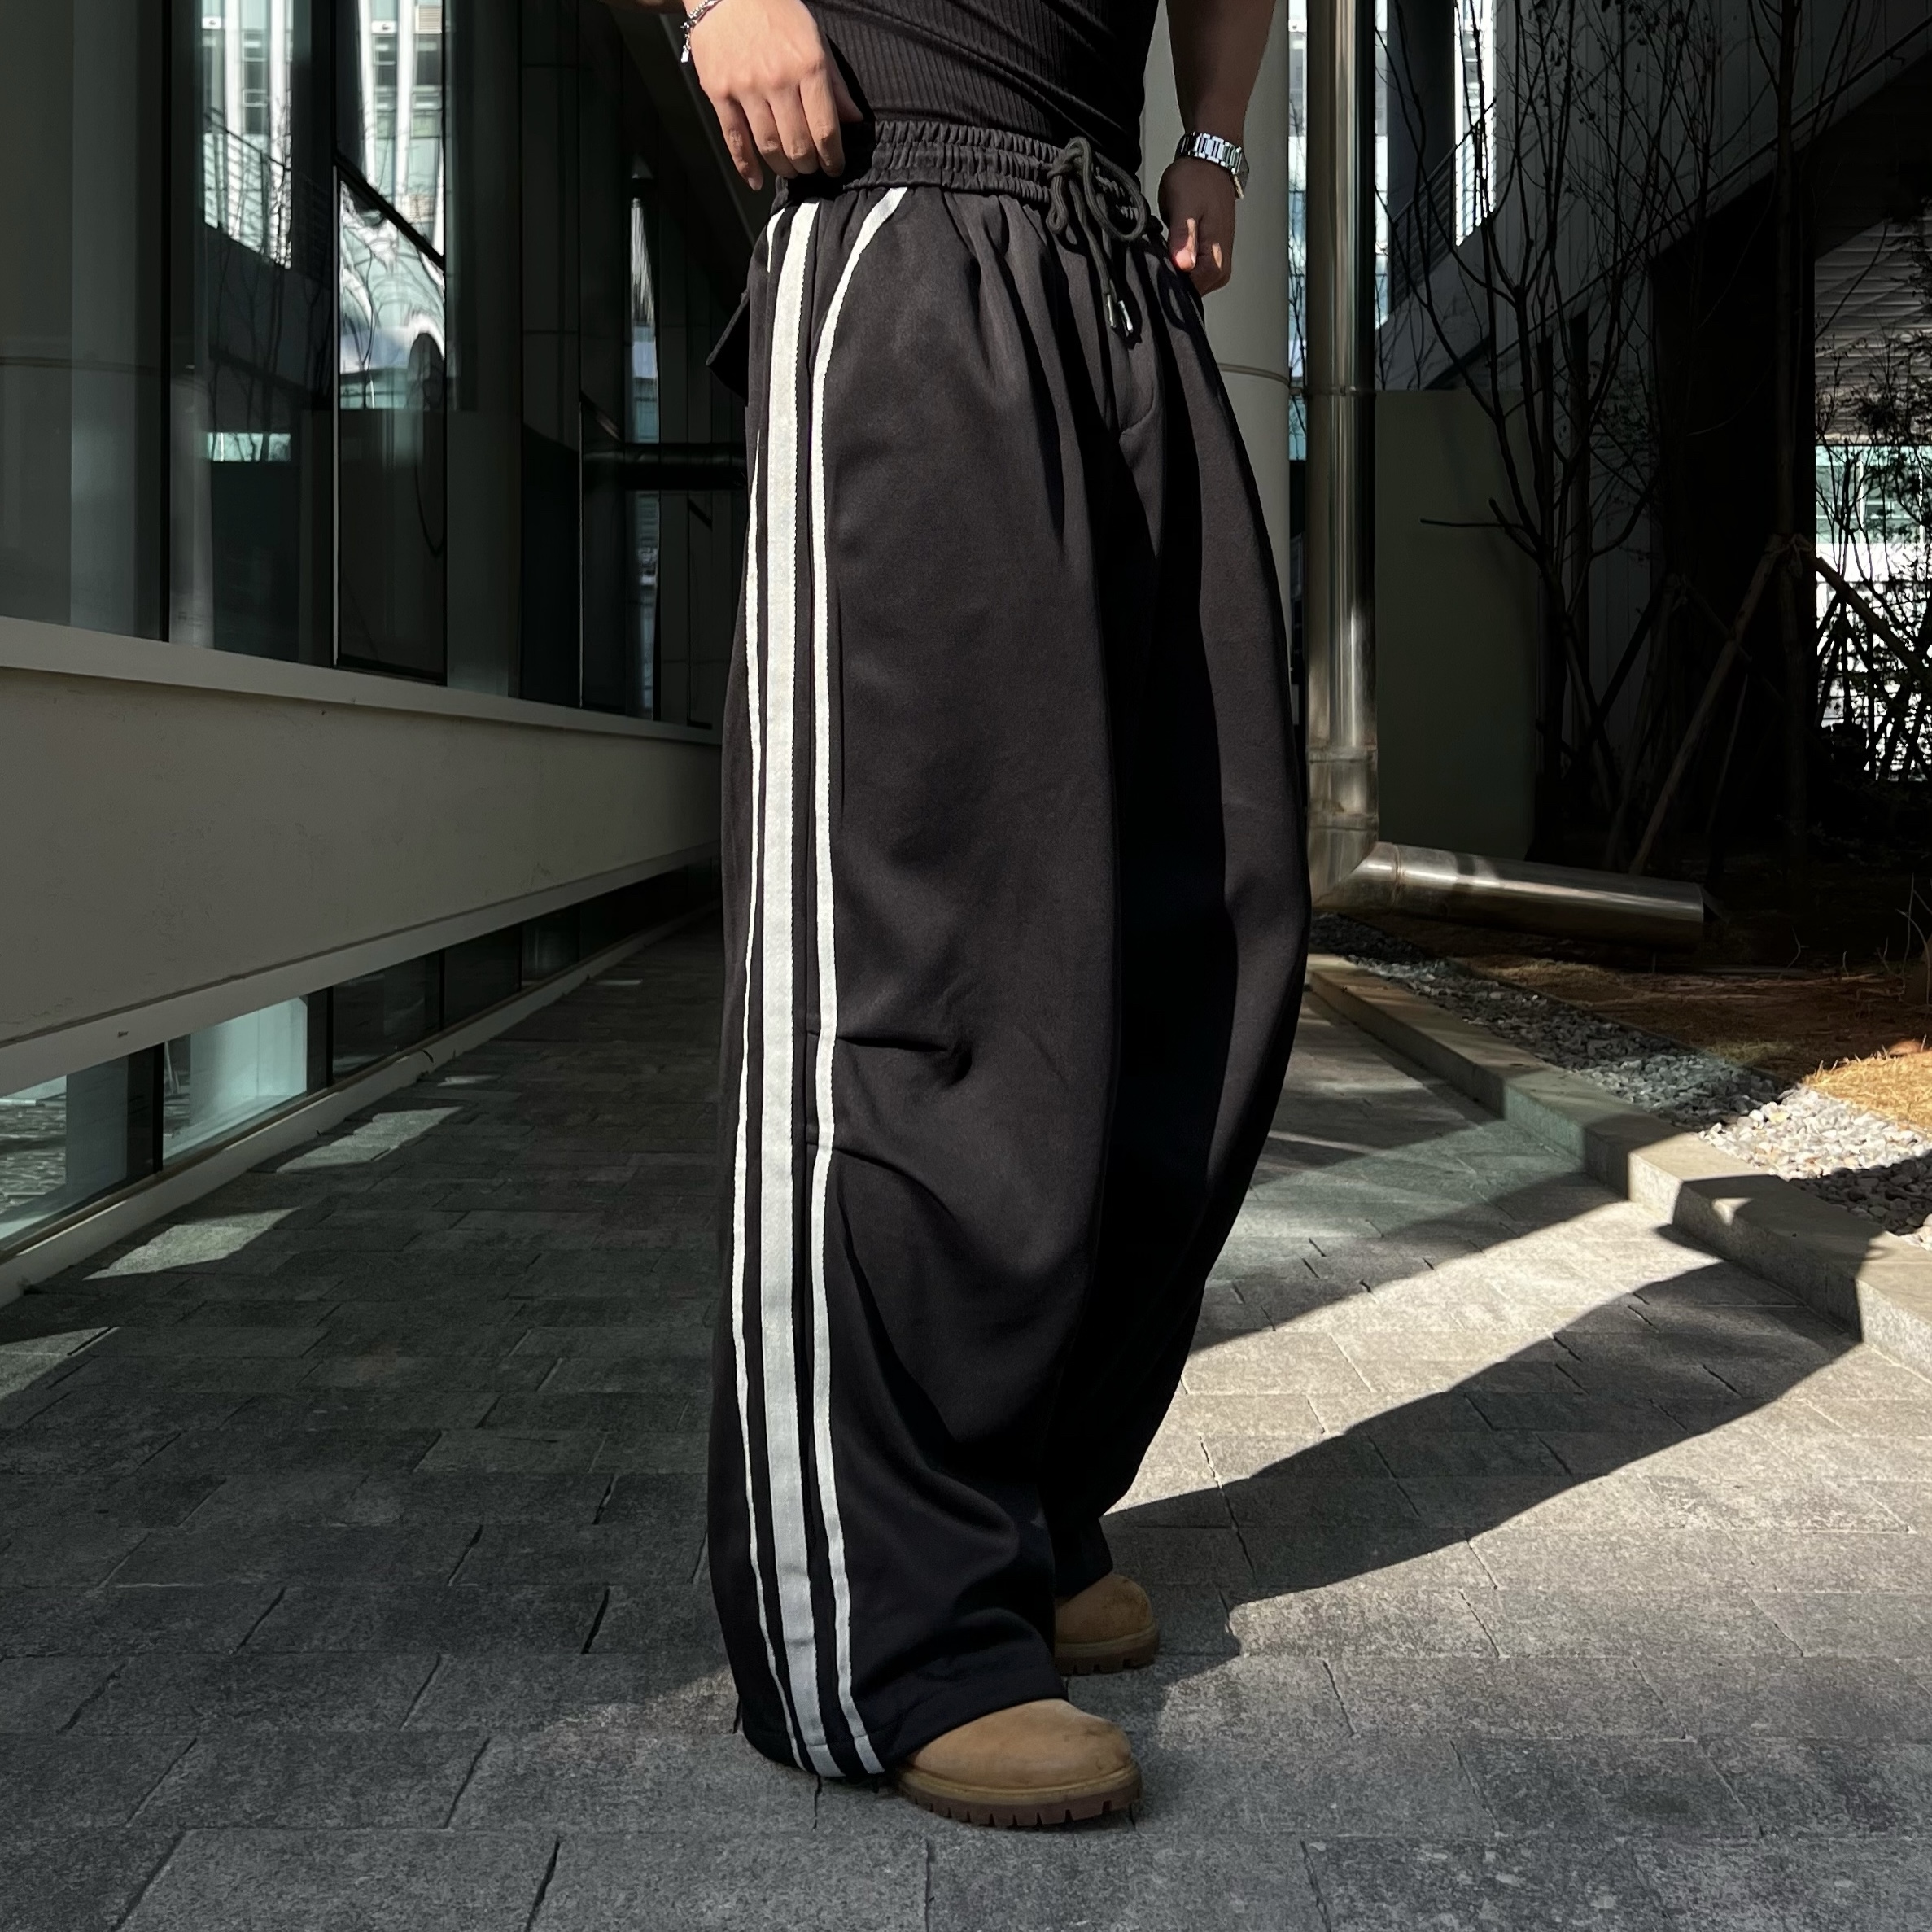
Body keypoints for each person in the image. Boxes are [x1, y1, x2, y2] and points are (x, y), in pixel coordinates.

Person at [676, 0, 1310, 1827]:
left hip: (1105, 248)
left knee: (1213, 907)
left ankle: (1020, 1506)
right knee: (915, 944)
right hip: (898, 202)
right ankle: (889, 1621)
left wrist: (1211, 133)